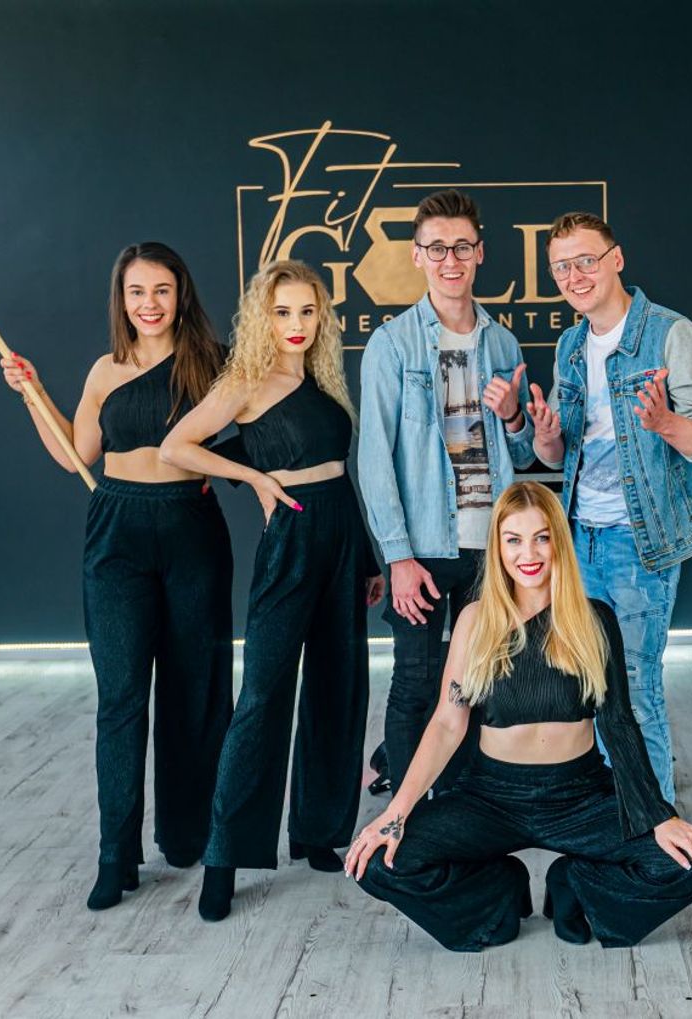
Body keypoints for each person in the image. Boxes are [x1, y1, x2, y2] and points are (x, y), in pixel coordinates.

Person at [346, 481, 692, 951]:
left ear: (558, 541)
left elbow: (619, 723)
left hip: (580, 795)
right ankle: (499, 893)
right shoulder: (475, 620)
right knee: (380, 862)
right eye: (514, 540)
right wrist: (395, 814)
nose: (529, 554)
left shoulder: (593, 619)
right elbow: (446, 724)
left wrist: (658, 815)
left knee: (688, 863)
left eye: (541, 537)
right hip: (491, 795)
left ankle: (573, 883)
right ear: (497, 547)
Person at [0, 242, 232, 910]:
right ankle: (115, 854)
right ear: (121, 300)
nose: (149, 304)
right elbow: (77, 453)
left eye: (161, 290)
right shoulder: (105, 370)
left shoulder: (215, 364)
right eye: (136, 292)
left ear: (180, 295)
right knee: (122, 698)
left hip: (191, 527)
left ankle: (190, 836)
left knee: (195, 692)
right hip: (117, 531)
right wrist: (32, 393)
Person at [159, 260, 384, 920]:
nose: (296, 324)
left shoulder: (322, 379)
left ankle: (317, 831)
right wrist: (255, 477)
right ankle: (224, 857)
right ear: (264, 316)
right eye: (283, 312)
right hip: (292, 533)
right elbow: (177, 447)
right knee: (262, 695)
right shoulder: (246, 381)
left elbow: (340, 472)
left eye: (307, 311)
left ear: (322, 316)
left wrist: (368, 557)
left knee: (340, 687)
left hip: (341, 531)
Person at [526, 211, 692, 805]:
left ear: (616, 259)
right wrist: (545, 438)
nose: (574, 276)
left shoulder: (670, 334)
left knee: (636, 693)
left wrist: (666, 423)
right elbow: (560, 452)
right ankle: (611, 824)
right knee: (590, 689)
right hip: (578, 538)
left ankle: (653, 834)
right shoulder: (571, 344)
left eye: (586, 261)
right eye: (561, 267)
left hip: (640, 543)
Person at [358, 188, 535, 793]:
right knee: (416, 682)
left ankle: (462, 806)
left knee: (479, 684)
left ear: (480, 252)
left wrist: (514, 417)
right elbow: (374, 460)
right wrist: (398, 557)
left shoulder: (503, 344)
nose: (450, 260)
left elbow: (523, 456)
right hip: (425, 549)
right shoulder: (392, 344)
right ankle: (406, 818)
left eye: (462, 247)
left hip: (491, 547)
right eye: (437, 248)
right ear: (417, 256)